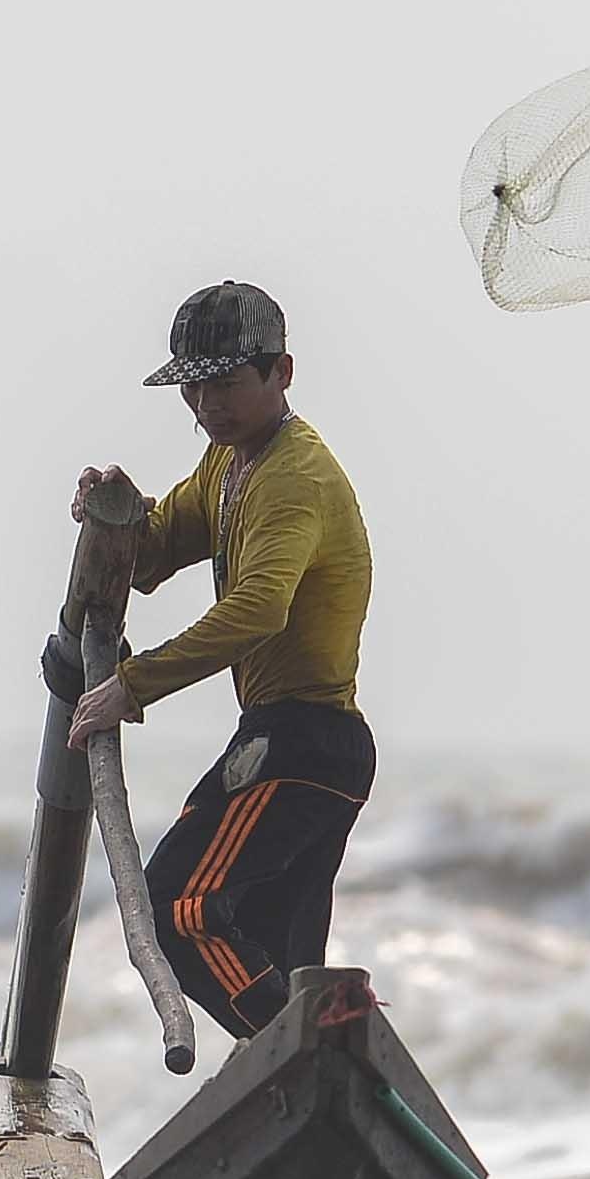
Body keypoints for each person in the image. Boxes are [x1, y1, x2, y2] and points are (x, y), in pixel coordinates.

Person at [63, 277, 377, 1040]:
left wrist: (131, 685)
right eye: (194, 389)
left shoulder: (292, 478)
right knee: (283, 964)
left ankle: (305, 1056)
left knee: (180, 909)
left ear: (281, 372)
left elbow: (258, 611)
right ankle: (311, 1070)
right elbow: (155, 551)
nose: (207, 406)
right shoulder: (227, 463)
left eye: (227, 385)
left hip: (303, 743)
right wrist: (111, 516)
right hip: (291, 742)